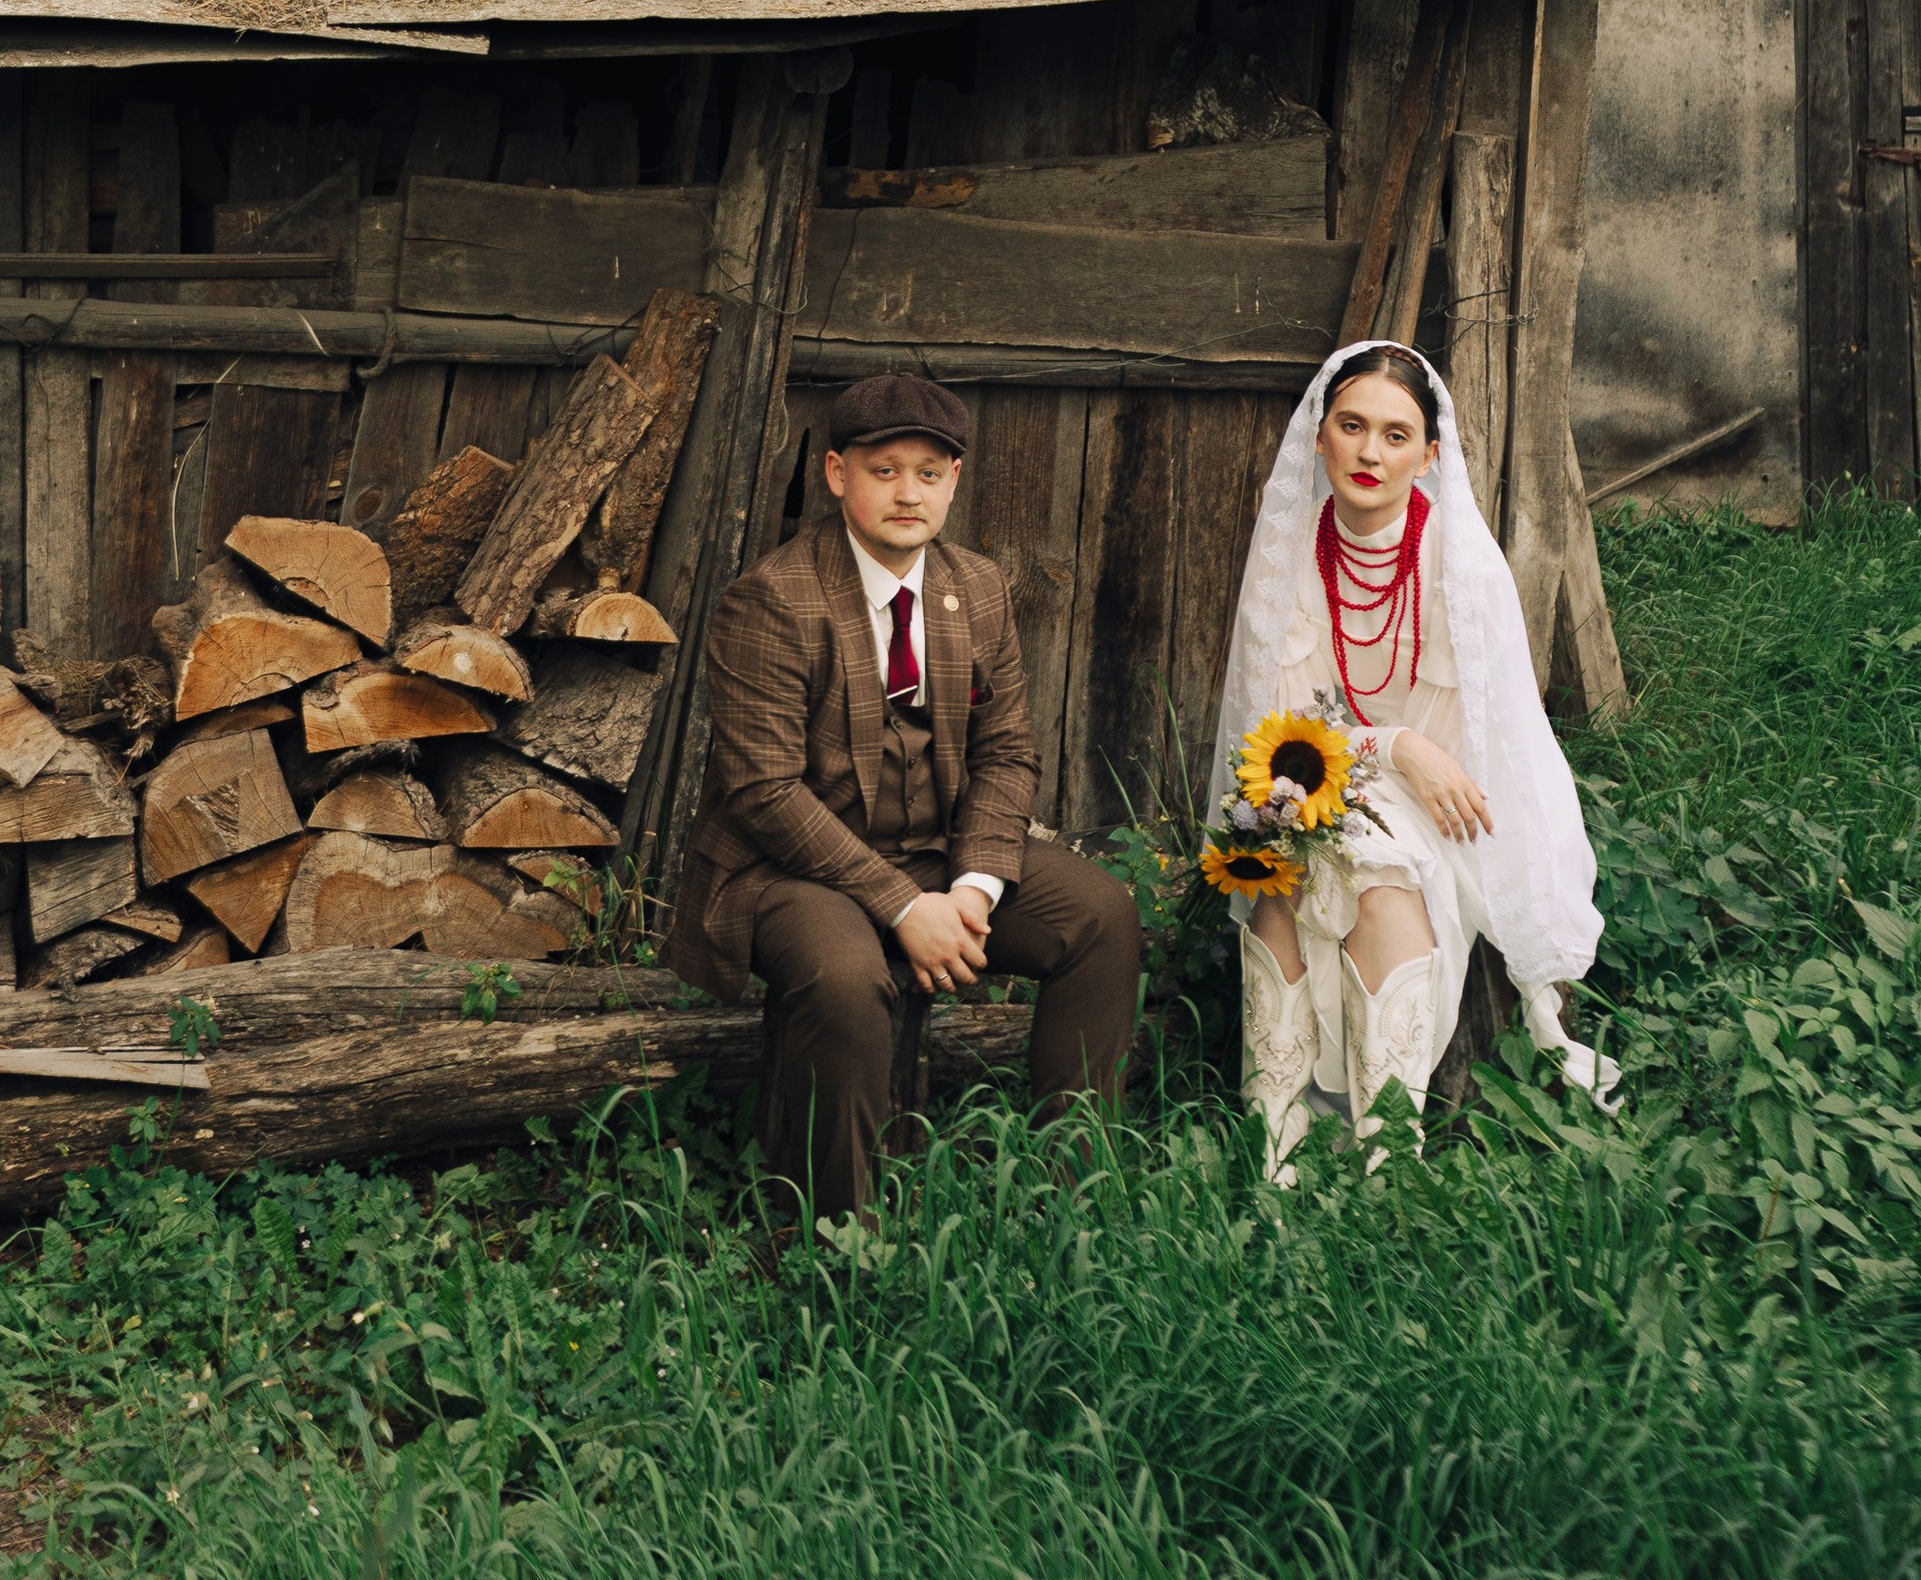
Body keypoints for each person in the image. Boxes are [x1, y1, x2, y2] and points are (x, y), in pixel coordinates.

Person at [669, 369, 1143, 1218]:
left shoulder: (979, 588)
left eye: (928, 472)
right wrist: (899, 905)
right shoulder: (773, 601)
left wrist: (972, 887)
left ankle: (1076, 1193)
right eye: (883, 469)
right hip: (793, 871)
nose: (906, 492)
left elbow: (1007, 752)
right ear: (836, 473)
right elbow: (764, 793)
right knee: (847, 978)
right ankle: (837, 1234)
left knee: (1099, 915)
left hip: (938, 851)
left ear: (954, 481)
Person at [1214, 336, 1615, 1178]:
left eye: (1396, 435)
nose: (1369, 452)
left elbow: (1482, 752)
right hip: (1313, 779)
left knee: (1381, 870)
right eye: (1352, 426)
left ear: (1430, 454)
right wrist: (1392, 745)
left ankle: (1386, 1151)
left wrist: (1398, 767)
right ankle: (1274, 1140)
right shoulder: (1291, 551)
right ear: (1319, 436)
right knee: (1277, 874)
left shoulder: (1459, 565)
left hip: (1450, 808)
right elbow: (1279, 730)